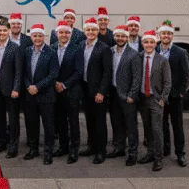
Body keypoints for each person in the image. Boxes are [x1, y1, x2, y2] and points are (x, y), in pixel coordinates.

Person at [23, 24, 58, 165]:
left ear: (44, 37)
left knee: (48, 125)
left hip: (46, 94)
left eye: (40, 36)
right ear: (31, 37)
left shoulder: (51, 52)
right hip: (30, 95)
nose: (37, 38)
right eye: (34, 36)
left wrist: (37, 86)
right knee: (32, 123)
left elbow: (53, 74)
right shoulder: (27, 51)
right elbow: (23, 72)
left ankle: (48, 152)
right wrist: (28, 86)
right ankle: (33, 149)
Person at [79, 17, 113, 164]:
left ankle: (101, 151)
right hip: (85, 88)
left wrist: (102, 92)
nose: (91, 32)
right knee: (89, 119)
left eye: (93, 29)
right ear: (85, 31)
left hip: (98, 91)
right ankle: (91, 146)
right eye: (88, 30)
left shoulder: (104, 48)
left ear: (98, 31)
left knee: (100, 121)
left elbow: (107, 72)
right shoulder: (81, 45)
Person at [137, 30, 171, 172]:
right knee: (147, 128)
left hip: (155, 99)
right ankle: (150, 153)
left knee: (157, 129)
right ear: (142, 43)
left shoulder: (162, 60)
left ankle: (158, 158)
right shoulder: (138, 57)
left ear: (155, 43)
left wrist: (163, 98)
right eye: (146, 42)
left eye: (151, 42)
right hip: (142, 98)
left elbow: (167, 82)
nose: (149, 45)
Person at [51, 21, 84, 164]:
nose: (64, 35)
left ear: (70, 34)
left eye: (66, 32)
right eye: (61, 32)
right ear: (57, 33)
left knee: (73, 121)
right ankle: (63, 146)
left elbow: (79, 72)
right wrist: (54, 83)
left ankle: (74, 149)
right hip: (55, 91)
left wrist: (64, 85)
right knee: (60, 121)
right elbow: (49, 69)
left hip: (71, 91)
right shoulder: (51, 48)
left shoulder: (76, 49)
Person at [158, 20, 189, 167]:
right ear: (159, 35)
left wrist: (180, 93)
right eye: (164, 33)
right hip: (159, 96)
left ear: (172, 36)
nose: (166, 36)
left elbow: (185, 75)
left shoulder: (181, 52)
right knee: (162, 124)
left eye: (169, 34)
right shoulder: (154, 49)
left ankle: (180, 153)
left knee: (177, 125)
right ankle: (165, 149)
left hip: (175, 96)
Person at [108, 25, 141, 166]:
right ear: (114, 37)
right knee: (116, 122)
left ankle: (133, 153)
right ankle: (119, 148)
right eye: (118, 36)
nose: (120, 38)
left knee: (130, 125)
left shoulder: (133, 54)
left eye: (123, 36)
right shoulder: (110, 51)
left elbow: (137, 77)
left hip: (127, 95)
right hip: (114, 93)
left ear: (127, 37)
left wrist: (132, 94)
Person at [0, 21, 23, 158]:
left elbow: (19, 71)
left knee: (13, 118)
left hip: (10, 88)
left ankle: (13, 146)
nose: (2, 33)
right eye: (0, 31)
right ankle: (1, 142)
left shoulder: (15, 48)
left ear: (9, 31)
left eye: (4, 30)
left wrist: (16, 88)